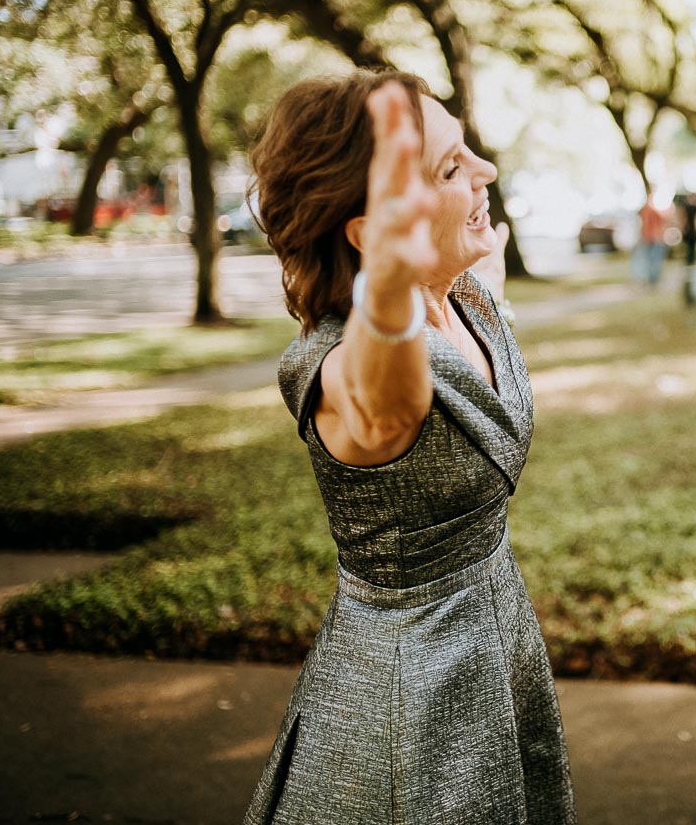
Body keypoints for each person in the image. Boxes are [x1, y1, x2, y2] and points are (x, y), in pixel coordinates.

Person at [242, 70, 576, 824]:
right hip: (407, 704)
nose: (486, 170)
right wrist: (391, 289)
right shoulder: (344, 373)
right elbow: (386, 395)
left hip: (497, 658)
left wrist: (441, 269)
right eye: (453, 168)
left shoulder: (465, 295)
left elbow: (472, 316)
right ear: (372, 233)